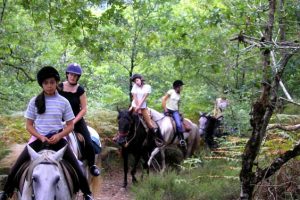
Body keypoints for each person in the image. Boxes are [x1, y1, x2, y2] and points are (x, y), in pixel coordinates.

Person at [0, 66, 93, 200]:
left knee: (77, 167)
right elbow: (29, 125)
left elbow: (70, 126)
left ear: (56, 83)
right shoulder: (34, 101)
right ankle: (7, 192)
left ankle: (87, 193)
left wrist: (60, 135)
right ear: (42, 85)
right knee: (16, 166)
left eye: (52, 82)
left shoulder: (63, 102)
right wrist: (40, 136)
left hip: (58, 139)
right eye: (46, 83)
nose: (49, 86)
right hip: (38, 139)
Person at [58, 63, 100, 176]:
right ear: (67, 74)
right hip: (60, 119)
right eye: (71, 74)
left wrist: (73, 122)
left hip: (76, 120)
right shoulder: (59, 87)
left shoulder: (80, 90)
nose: (73, 77)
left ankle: (92, 165)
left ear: (78, 77)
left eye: (75, 75)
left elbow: (84, 109)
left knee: (89, 142)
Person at [162, 80, 186, 147]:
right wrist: (165, 110)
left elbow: (177, 104)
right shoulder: (171, 91)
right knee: (159, 121)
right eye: (181, 86)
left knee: (178, 124)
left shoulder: (179, 94)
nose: (182, 88)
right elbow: (164, 100)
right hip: (167, 109)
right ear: (177, 86)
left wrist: (179, 112)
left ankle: (181, 139)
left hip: (175, 111)